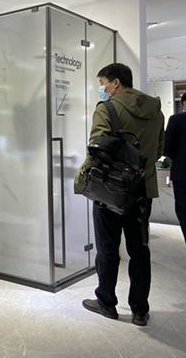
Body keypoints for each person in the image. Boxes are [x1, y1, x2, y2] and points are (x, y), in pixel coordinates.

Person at [75, 63, 164, 327]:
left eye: (102, 83)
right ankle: (140, 310)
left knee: (107, 249)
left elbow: (96, 149)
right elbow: (159, 150)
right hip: (142, 191)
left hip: (111, 190)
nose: (101, 88)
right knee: (140, 250)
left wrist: (81, 178)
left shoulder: (108, 108)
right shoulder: (156, 111)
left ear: (115, 83)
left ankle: (106, 302)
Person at [163, 92, 186, 243]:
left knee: (184, 212)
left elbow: (167, 148)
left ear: (184, 104)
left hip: (182, 174)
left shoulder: (176, 120)